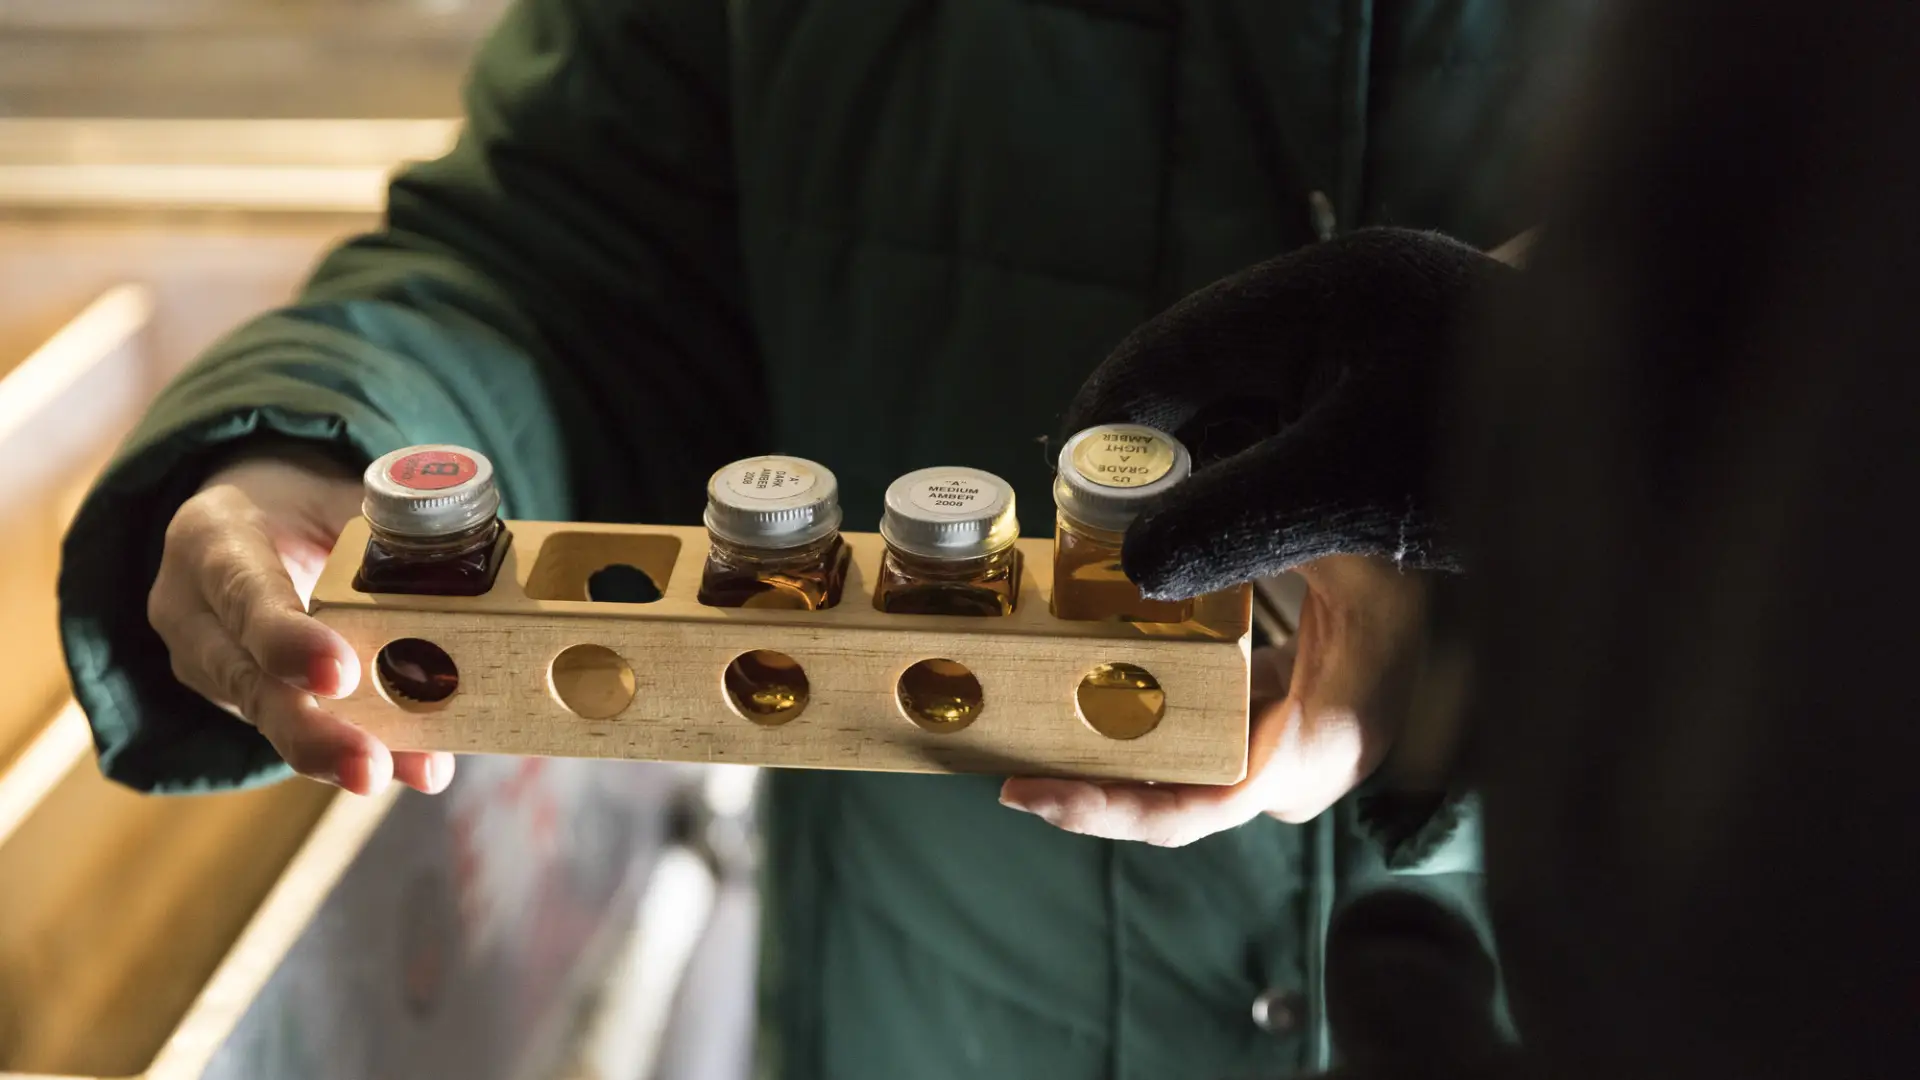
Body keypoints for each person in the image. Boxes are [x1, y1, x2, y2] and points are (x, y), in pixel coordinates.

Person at [57, 2, 1590, 1077]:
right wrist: (328, 435)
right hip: (949, 1007)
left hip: (1600, 973)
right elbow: (572, 250)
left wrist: (1556, 449)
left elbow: (1829, 342)